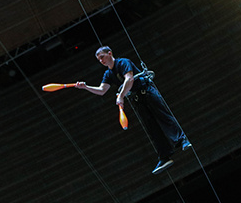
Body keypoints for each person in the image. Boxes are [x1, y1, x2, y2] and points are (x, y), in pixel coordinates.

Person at [75, 46, 190, 174]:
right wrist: (86, 87)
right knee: (151, 128)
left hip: (147, 92)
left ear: (110, 53)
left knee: (164, 117)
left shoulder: (123, 62)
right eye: (99, 60)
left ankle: (182, 140)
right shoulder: (108, 74)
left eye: (102, 57)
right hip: (137, 99)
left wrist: (121, 96)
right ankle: (164, 156)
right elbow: (102, 90)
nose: (101, 61)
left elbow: (129, 79)